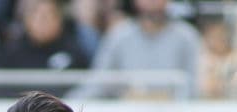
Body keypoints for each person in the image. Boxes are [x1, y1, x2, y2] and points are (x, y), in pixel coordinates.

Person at [71, 0, 201, 100]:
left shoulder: (187, 36)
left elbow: (195, 85)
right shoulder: (119, 35)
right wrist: (66, 105)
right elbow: (98, 82)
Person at [0, 0, 89, 98]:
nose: (43, 22)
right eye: (39, 17)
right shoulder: (12, 53)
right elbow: (1, 88)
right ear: (27, 20)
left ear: (59, 20)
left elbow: (84, 84)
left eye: (48, 16)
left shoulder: (74, 52)